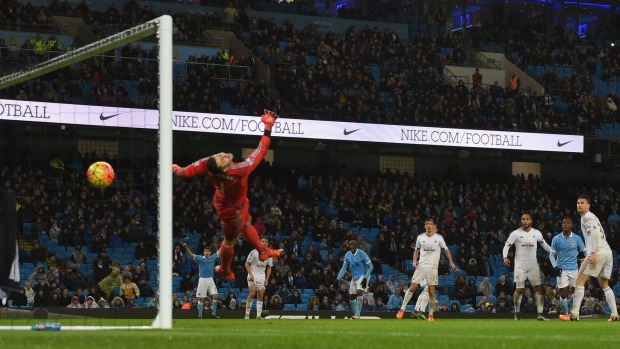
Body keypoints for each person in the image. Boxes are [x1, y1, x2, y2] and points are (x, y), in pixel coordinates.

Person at [173, 109, 282, 280]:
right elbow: (261, 151)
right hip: (231, 211)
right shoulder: (240, 170)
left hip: (229, 202)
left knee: (247, 224)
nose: (222, 155)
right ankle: (225, 268)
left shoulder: (208, 164)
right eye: (221, 158)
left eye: (219, 155)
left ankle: (262, 251)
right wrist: (268, 127)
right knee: (230, 239)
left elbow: (187, 171)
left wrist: (177, 170)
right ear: (225, 168)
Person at [561, 195, 620, 322]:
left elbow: (593, 234)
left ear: (588, 205)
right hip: (607, 252)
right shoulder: (593, 217)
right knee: (604, 283)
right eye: (578, 203)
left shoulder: (587, 216)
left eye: (582, 203)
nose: (579, 205)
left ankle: (574, 314)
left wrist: (592, 253)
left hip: (597, 252)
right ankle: (615, 314)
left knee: (579, 281)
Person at [396, 219, 456, 321]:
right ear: (425, 226)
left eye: (430, 224)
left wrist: (451, 262)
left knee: (431, 292)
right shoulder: (420, 237)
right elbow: (416, 251)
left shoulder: (438, 238)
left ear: (433, 226)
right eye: (426, 224)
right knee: (412, 287)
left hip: (433, 268)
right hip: (421, 267)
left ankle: (431, 314)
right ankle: (402, 309)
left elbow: (446, 249)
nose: (428, 226)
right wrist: (415, 261)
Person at [503, 213, 553, 321]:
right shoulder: (516, 233)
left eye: (527, 219)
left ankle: (540, 314)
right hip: (520, 265)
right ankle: (517, 312)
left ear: (531, 221)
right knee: (520, 290)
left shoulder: (536, 233)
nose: (525, 221)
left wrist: (553, 252)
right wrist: (504, 257)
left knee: (538, 289)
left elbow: (544, 244)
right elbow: (507, 245)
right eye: (523, 219)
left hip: (533, 265)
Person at [548, 216, 586, 316]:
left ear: (571, 225)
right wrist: (555, 266)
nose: (565, 224)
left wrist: (586, 261)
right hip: (561, 269)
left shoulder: (577, 238)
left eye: (568, 223)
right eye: (563, 223)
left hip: (574, 269)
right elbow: (551, 254)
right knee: (563, 293)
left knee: (576, 292)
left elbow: (584, 251)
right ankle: (566, 314)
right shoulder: (556, 239)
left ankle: (571, 306)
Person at [336, 240, 373, 320]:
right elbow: (343, 268)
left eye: (353, 245)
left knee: (359, 294)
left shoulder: (362, 254)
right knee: (352, 298)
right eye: (350, 245)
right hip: (354, 277)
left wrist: (366, 278)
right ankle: (356, 314)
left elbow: (371, 266)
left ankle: (358, 315)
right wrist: (338, 278)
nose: (352, 247)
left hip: (363, 276)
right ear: (349, 246)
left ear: (356, 246)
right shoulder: (347, 255)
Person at [184, 243, 221, 319]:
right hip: (202, 280)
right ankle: (200, 315)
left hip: (210, 279)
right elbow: (191, 254)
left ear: (210, 252)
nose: (207, 252)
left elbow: (220, 251)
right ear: (203, 252)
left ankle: (213, 314)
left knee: (216, 296)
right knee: (201, 298)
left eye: (208, 251)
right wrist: (186, 247)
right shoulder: (200, 258)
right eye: (205, 251)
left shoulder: (213, 257)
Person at [244, 237, 273, 319]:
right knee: (252, 293)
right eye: (262, 241)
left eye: (265, 241)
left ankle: (258, 316)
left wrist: (267, 279)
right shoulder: (254, 252)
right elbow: (246, 264)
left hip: (262, 276)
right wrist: (250, 274)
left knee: (260, 295)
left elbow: (269, 267)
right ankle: (247, 314)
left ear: (267, 244)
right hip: (253, 274)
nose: (264, 242)